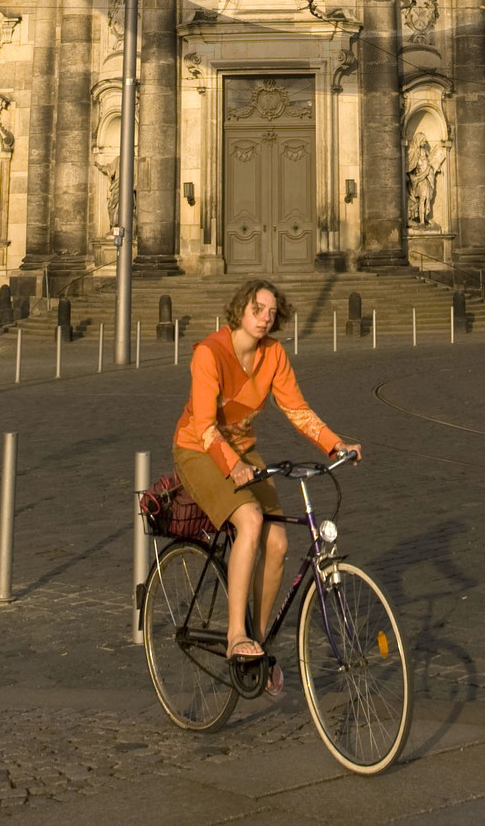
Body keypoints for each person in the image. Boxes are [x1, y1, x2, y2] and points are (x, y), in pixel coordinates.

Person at [173, 278, 360, 679]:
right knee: (251, 520)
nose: (264, 318)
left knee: (277, 543)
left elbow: (297, 410)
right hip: (199, 449)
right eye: (258, 309)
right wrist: (231, 465)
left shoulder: (273, 355)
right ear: (240, 309)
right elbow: (205, 426)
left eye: (272, 313)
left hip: (242, 450)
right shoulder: (209, 353)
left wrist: (336, 446)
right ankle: (235, 634)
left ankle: (257, 642)